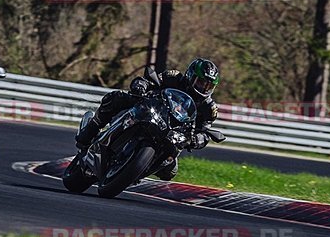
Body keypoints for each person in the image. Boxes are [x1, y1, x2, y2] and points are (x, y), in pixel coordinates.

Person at [76, 58, 221, 180]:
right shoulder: (174, 77)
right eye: (201, 82)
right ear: (190, 75)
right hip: (151, 109)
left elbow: (205, 130)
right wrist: (141, 85)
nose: (204, 87)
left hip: (174, 133)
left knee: (170, 171)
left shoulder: (209, 108)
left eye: (209, 85)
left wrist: (198, 139)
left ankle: (138, 170)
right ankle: (90, 130)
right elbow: (151, 80)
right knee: (115, 98)